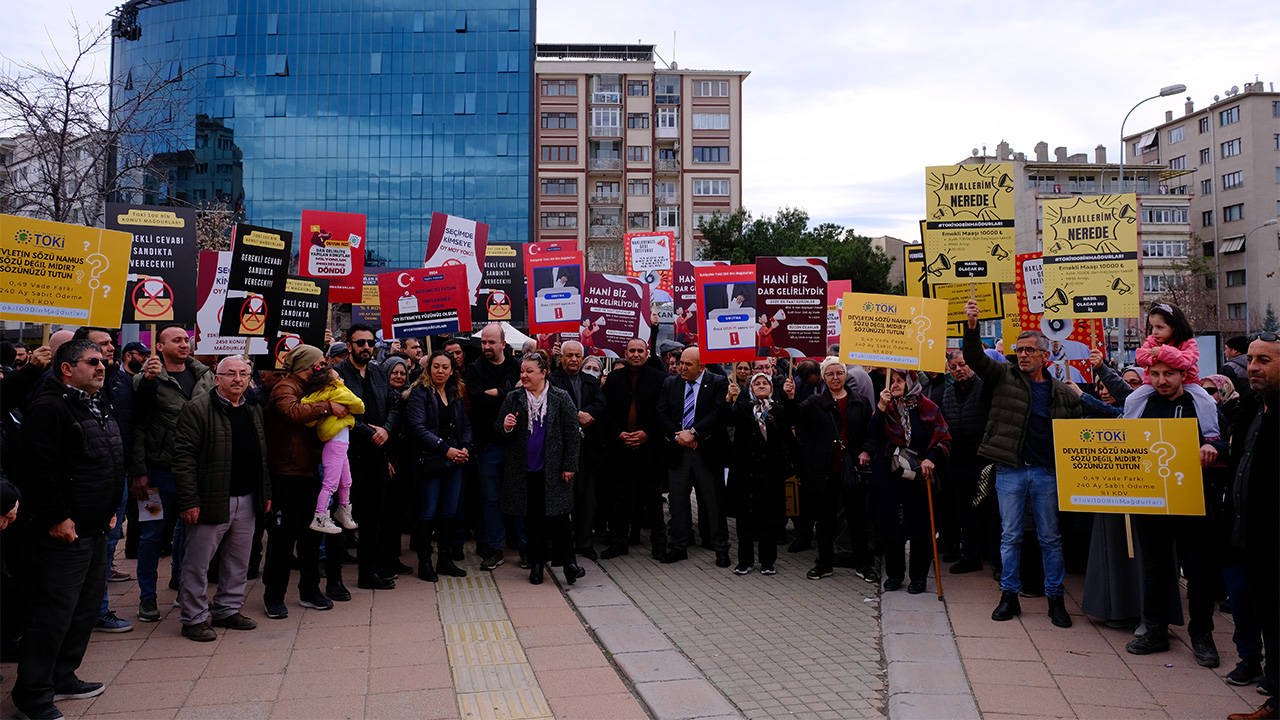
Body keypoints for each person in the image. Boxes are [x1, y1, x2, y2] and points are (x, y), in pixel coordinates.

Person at [10, 339, 122, 720]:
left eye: (103, 360)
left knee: (84, 609)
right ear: (66, 369)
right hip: (64, 531)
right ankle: (33, 693)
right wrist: (57, 517)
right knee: (53, 613)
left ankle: (63, 675)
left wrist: (110, 509)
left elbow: (106, 456)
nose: (102, 366)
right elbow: (40, 470)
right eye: (92, 362)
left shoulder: (96, 402)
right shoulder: (49, 408)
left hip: (95, 526)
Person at [963, 298, 1081, 628]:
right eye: (1019, 349)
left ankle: (1055, 600)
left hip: (1046, 473)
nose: (1024, 354)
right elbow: (974, 357)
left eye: (1030, 350)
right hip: (1010, 471)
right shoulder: (1003, 376)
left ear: (1045, 355)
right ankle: (1009, 597)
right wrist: (972, 326)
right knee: (1010, 536)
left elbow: (1081, 432)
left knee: (1050, 539)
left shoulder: (1063, 393)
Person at [1123, 358, 1226, 667]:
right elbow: (1124, 439)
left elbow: (1224, 438)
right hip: (1152, 502)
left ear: (1183, 374)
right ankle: (1155, 631)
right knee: (1154, 569)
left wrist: (1215, 449)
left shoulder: (1201, 404)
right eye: (1155, 374)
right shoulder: (1142, 403)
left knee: (1198, 573)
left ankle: (1202, 636)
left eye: (1169, 373)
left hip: (1193, 502)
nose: (1161, 380)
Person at [172, 356, 271, 642]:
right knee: (198, 563)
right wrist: (189, 500)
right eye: (230, 374)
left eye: (243, 374)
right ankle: (194, 617)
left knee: (238, 561)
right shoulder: (198, 409)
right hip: (211, 498)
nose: (238, 379)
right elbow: (183, 458)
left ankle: (228, 609)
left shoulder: (253, 409)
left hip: (248, 497)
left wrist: (265, 493)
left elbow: (261, 456)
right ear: (217, 377)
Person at [130, 324, 215, 623]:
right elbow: (138, 428)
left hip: (193, 474)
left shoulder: (205, 376)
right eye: (176, 340)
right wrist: (139, 472)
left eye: (186, 339)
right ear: (160, 345)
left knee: (191, 534)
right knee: (151, 535)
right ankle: (147, 598)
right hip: (156, 474)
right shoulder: (146, 380)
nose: (184, 344)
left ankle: (184, 589)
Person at [262, 344, 345, 618]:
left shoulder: (312, 387)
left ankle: (310, 591)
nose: (325, 366)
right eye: (321, 363)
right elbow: (293, 412)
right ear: (307, 366)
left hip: (309, 471)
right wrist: (327, 406)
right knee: (283, 538)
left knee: (311, 535)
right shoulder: (284, 388)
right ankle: (274, 596)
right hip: (286, 473)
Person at [1225, 332, 1279, 720]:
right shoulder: (1251, 409)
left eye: (1265, 361)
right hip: (1249, 535)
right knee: (1268, 621)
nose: (1254, 368)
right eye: (1251, 360)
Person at [495, 350, 583, 585]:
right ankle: (536, 565)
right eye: (522, 371)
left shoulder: (560, 397)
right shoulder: (514, 397)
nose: (523, 375)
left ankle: (569, 565)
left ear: (544, 373)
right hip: (525, 471)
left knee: (560, 518)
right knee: (533, 521)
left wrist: (569, 465)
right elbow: (498, 432)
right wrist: (505, 426)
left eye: (529, 371)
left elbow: (572, 435)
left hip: (554, 470)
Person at [862, 369, 951, 593]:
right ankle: (894, 574)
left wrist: (931, 458)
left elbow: (943, 438)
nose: (895, 385)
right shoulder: (886, 407)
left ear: (910, 382)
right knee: (892, 527)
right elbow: (872, 435)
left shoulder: (927, 406)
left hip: (919, 475)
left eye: (900, 380)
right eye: (891, 381)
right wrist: (880, 409)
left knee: (919, 527)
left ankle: (919, 577)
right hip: (890, 474)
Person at [72, 327, 135, 633]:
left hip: (116, 473)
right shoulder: (63, 396)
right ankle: (91, 610)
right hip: (87, 480)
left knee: (107, 545)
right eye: (102, 345)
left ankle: (95, 608)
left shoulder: (117, 379)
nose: (110, 350)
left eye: (111, 345)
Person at [792, 358, 876, 581]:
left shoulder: (859, 402)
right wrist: (789, 397)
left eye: (839, 373)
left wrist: (866, 450)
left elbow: (872, 431)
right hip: (826, 471)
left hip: (853, 469)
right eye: (830, 374)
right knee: (825, 520)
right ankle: (824, 563)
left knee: (857, 520)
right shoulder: (814, 403)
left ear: (846, 375)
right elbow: (795, 421)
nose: (835, 378)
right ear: (824, 377)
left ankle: (863, 564)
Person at [334, 324, 398, 590]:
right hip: (348, 455)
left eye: (370, 343)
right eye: (360, 343)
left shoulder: (378, 371)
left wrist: (386, 429)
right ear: (349, 345)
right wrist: (368, 431)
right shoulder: (337, 374)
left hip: (377, 454)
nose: (366, 348)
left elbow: (394, 404)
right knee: (341, 516)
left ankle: (368, 573)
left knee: (373, 516)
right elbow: (341, 413)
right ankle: (334, 580)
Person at [657, 346, 730, 566]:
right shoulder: (671, 383)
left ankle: (721, 549)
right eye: (681, 363)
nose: (682, 368)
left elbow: (718, 414)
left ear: (702, 366)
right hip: (678, 452)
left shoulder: (718, 382)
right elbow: (661, 412)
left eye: (688, 364)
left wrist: (695, 432)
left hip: (705, 452)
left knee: (713, 503)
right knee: (678, 503)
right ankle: (678, 547)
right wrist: (678, 436)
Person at [404, 350, 471, 581]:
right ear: (428, 369)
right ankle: (424, 561)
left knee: (449, 512)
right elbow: (418, 428)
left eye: (445, 367)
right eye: (436, 367)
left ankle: (445, 560)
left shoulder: (455, 392)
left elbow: (465, 424)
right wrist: (445, 448)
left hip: (454, 461)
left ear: (452, 370)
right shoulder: (420, 393)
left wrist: (465, 448)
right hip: (430, 461)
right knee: (428, 512)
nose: (440, 371)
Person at [600, 338, 668, 559]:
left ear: (647, 353)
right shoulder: (614, 378)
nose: (636, 354)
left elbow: (663, 411)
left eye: (640, 350)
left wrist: (647, 432)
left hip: (649, 449)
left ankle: (659, 545)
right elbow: (606, 411)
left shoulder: (660, 379)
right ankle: (619, 542)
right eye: (632, 351)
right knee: (621, 500)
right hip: (621, 448)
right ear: (626, 353)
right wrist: (619, 433)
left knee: (653, 501)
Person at [726, 372, 793, 575]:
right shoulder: (743, 407)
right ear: (751, 389)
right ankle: (744, 561)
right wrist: (729, 399)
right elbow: (727, 420)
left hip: (770, 473)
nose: (762, 386)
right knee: (744, 519)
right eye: (757, 383)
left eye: (765, 383)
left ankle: (767, 562)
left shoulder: (778, 410)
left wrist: (790, 398)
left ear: (772, 388)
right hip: (745, 473)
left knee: (769, 518)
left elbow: (790, 426)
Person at [466, 323, 520, 570]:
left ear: (503, 344)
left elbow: (523, 399)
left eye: (491, 342)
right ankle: (493, 548)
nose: (486, 347)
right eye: (483, 342)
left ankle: (523, 545)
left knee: (518, 494)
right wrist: (507, 393)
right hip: (487, 444)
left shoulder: (516, 367)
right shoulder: (475, 369)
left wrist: (496, 393)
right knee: (491, 498)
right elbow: (477, 402)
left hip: (516, 444)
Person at [1123, 302, 1220, 440]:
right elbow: (1141, 357)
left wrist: (1162, 352)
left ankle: (1211, 435)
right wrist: (1158, 359)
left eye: (1160, 327)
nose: (1154, 332)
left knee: (1206, 402)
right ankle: (1128, 430)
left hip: (1188, 382)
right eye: (1152, 327)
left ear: (1174, 327)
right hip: (1151, 383)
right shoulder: (1151, 341)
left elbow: (1186, 361)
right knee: (1132, 399)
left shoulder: (1188, 343)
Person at [550, 340, 606, 560]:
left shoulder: (590, 381)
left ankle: (584, 543)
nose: (573, 359)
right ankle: (561, 545)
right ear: (561, 357)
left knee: (587, 500)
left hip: (587, 452)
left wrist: (587, 414)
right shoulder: (553, 380)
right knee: (563, 500)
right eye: (569, 355)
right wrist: (577, 415)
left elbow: (601, 404)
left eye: (577, 356)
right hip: (562, 452)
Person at [940, 350, 990, 575]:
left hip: (982, 460)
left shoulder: (985, 388)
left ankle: (994, 558)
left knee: (988, 511)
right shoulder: (949, 392)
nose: (958, 370)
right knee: (964, 510)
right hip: (957, 461)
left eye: (962, 365)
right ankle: (971, 556)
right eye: (953, 367)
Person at [300, 364, 364, 534]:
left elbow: (305, 405)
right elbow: (359, 405)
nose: (342, 379)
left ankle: (343, 510)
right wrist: (340, 395)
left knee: (346, 481)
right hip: (336, 443)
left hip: (340, 443)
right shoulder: (337, 390)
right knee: (330, 483)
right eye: (338, 378)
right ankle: (320, 516)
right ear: (331, 382)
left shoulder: (319, 394)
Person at [1220, 334, 1254, 403]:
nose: (1224, 352)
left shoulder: (1228, 368)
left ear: (1235, 351)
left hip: (1236, 409)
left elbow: (1225, 394)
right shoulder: (1254, 364)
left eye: (1226, 348)